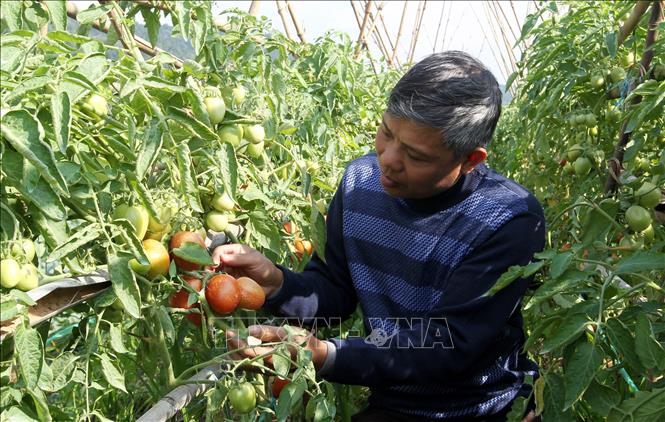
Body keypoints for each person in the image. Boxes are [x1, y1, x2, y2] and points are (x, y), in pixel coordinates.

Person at [213, 51, 544, 421]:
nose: (387, 158)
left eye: (415, 156)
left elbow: (447, 341)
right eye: (386, 132)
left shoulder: (508, 219)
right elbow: (335, 294)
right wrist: (276, 284)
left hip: (483, 407)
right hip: (395, 400)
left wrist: (325, 354)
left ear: (470, 160)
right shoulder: (360, 185)